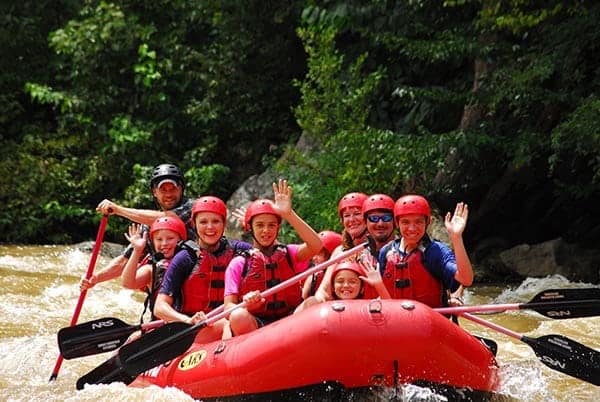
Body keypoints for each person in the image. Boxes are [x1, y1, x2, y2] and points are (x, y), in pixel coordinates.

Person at [223, 179, 322, 336]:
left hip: (291, 318)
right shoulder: (239, 263)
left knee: (313, 302)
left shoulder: (290, 254)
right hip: (258, 324)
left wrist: (289, 214)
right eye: (260, 225)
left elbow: (316, 245)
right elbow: (229, 308)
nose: (266, 230)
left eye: (271, 225)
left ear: (278, 227)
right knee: (238, 316)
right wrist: (246, 305)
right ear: (250, 228)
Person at [80, 163, 194, 291]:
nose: (168, 194)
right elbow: (124, 261)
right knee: (151, 269)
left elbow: (169, 219)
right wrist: (95, 278)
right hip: (170, 287)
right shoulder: (148, 227)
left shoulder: (193, 208)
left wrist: (118, 210)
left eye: (173, 189)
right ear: (154, 192)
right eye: (163, 190)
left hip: (193, 274)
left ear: (181, 189)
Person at [153, 196, 252, 341]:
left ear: (224, 224)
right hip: (196, 329)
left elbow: (276, 254)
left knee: (234, 319)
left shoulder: (238, 249)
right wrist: (188, 321)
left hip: (232, 320)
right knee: (228, 322)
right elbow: (160, 307)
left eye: (216, 221)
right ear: (194, 224)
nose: (210, 227)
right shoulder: (185, 258)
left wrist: (254, 229)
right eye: (203, 222)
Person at [377, 194, 473, 308]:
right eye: (405, 222)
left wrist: (456, 238)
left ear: (428, 222)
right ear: (397, 223)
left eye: (418, 222)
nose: (412, 228)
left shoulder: (436, 251)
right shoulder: (386, 252)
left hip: (430, 321)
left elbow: (466, 279)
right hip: (395, 319)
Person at [120, 215, 188, 320]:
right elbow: (127, 283)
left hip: (189, 322)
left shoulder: (192, 262)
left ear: (180, 240)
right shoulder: (152, 269)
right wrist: (137, 251)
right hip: (160, 326)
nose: (164, 243)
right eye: (159, 239)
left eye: (170, 238)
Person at [294, 260, 390, 313]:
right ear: (332, 287)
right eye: (340, 281)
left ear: (362, 289)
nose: (346, 285)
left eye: (352, 282)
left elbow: (389, 307)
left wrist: (379, 284)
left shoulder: (368, 306)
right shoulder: (325, 308)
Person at [300, 230, 343, 299]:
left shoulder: (344, 275)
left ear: (331, 254)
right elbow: (304, 297)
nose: (314, 258)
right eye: (314, 254)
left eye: (319, 254)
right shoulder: (313, 276)